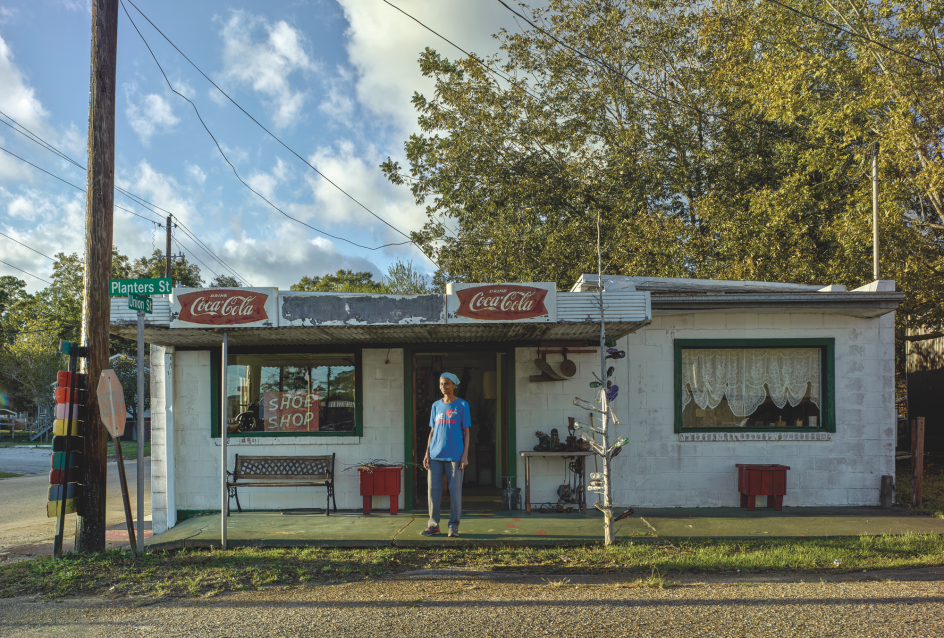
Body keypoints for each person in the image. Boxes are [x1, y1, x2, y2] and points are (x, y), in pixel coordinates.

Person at [420, 372, 471, 537]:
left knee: (455, 492)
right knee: (433, 491)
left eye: (447, 383)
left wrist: (465, 455)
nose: (443, 387)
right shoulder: (436, 406)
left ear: (454, 385)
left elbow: (467, 432)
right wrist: (427, 453)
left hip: (455, 456)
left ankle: (453, 526)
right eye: (441, 384)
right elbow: (432, 431)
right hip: (435, 455)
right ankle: (433, 525)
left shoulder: (463, 405)